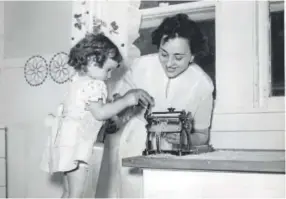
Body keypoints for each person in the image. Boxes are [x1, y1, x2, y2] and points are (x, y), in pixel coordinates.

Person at [91, 13, 215, 198]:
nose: (169, 63)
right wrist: (123, 104)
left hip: (174, 155)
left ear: (192, 56)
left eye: (178, 57)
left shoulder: (203, 85)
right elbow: (116, 110)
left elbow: (203, 136)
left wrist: (184, 140)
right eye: (163, 54)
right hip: (134, 144)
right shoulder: (141, 66)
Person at [40, 33, 154, 198]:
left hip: (66, 144)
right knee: (77, 194)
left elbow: (91, 114)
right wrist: (126, 101)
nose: (108, 76)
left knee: (68, 192)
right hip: (78, 147)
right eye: (108, 70)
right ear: (93, 61)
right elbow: (100, 113)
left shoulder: (77, 81)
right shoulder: (95, 84)